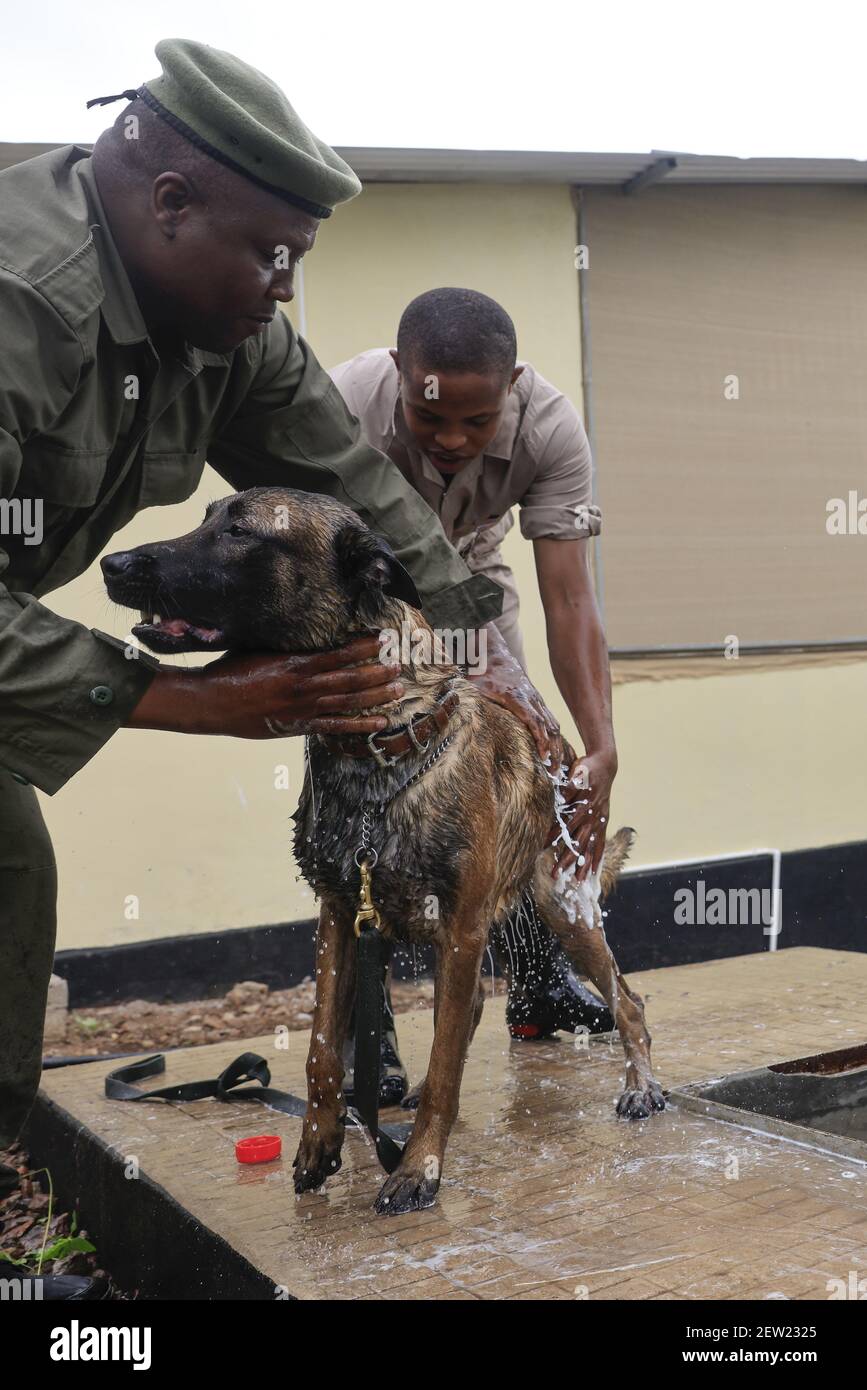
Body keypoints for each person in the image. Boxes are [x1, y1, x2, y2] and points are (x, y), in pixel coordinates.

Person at [0, 41, 580, 1297]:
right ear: (170, 204)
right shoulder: (18, 301)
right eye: (274, 256)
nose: (283, 290)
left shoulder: (218, 321)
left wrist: (478, 647)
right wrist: (197, 698)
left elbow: (354, 486)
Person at [330, 290, 619, 1104]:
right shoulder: (342, 404)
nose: (454, 441)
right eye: (432, 421)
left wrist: (598, 743)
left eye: (477, 421)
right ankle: (368, 1038)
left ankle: (537, 988)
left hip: (472, 580)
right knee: (368, 802)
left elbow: (568, 596)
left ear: (513, 387)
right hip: (359, 597)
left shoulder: (551, 426)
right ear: (399, 375)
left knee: (514, 774)